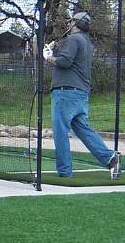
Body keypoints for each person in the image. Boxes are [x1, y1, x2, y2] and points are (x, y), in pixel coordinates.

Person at [45, 11, 121, 179]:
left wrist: (48, 57)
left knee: (60, 131)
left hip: (65, 93)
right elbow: (71, 56)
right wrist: (58, 48)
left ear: (77, 23)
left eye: (70, 21)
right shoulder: (86, 42)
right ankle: (110, 158)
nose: (68, 24)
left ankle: (64, 171)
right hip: (81, 94)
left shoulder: (72, 39)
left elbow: (64, 62)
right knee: (83, 130)